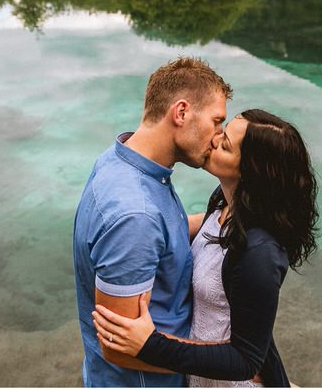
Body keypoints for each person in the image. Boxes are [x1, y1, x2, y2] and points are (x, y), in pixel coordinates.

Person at [92, 109, 319, 388]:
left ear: (250, 172)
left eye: (225, 145)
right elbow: (188, 227)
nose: (214, 139)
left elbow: (246, 360)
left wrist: (150, 345)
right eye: (223, 131)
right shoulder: (225, 205)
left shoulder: (259, 253)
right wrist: (126, 228)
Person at [73, 57, 233, 387]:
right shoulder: (135, 215)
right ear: (182, 112)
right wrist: (231, 365)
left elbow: (163, 232)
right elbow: (119, 349)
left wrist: (231, 219)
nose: (219, 136)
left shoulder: (121, 160)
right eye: (217, 121)